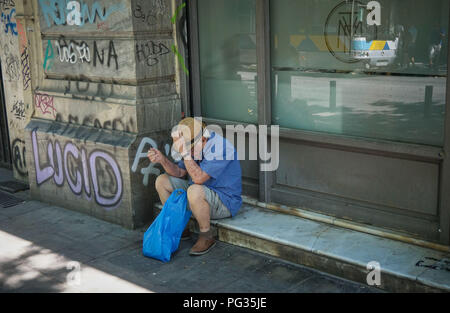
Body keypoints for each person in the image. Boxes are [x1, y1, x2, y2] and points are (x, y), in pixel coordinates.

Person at [148, 117, 243, 256]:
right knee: (162, 181)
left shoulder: (221, 147)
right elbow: (180, 172)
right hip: (200, 195)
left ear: (203, 140)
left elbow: (198, 179)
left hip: (225, 202)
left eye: (191, 149)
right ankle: (180, 228)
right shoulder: (195, 145)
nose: (189, 153)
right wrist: (162, 160)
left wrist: (185, 153)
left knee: (194, 190)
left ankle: (206, 236)